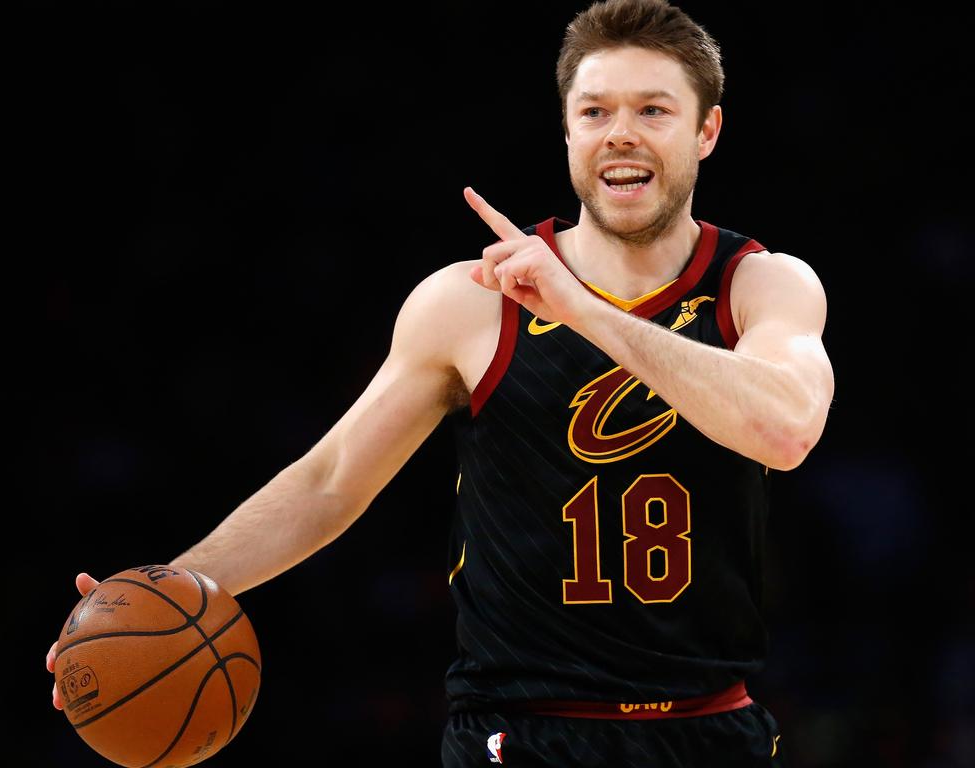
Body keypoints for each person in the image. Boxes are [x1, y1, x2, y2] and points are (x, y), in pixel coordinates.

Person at [47, 0, 835, 764]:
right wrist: (173, 591)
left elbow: (788, 429)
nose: (619, 134)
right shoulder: (470, 301)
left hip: (709, 727)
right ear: (566, 129)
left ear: (707, 130)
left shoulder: (759, 285)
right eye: (594, 112)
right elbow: (329, 483)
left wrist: (582, 309)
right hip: (521, 730)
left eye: (653, 110)